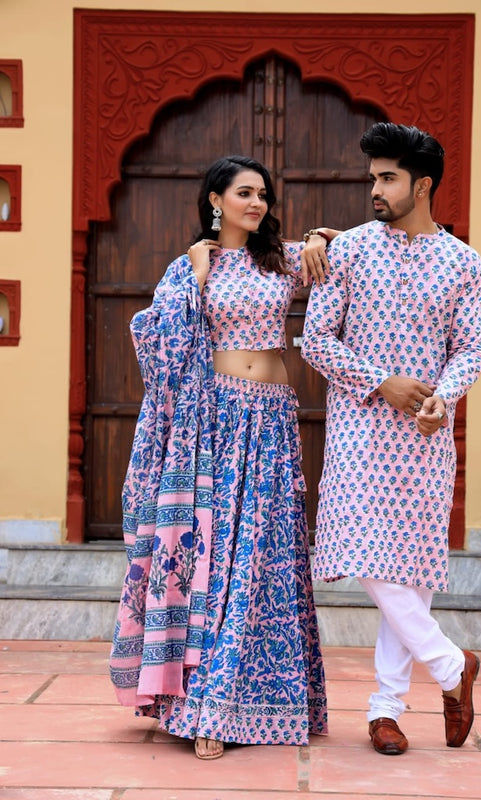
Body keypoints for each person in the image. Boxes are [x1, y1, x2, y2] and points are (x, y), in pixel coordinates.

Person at [109, 155, 333, 760]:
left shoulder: (282, 258)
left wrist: (316, 237)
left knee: (263, 553)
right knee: (214, 555)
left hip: (272, 420)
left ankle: (266, 703)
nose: (256, 203)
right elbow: (155, 346)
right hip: (216, 423)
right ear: (216, 199)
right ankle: (206, 706)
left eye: (262, 194)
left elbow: (347, 259)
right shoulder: (191, 266)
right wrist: (200, 279)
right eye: (244, 193)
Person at [301, 122, 481, 755]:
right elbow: (319, 340)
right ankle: (451, 666)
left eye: (387, 178)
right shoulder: (347, 250)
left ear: (423, 184)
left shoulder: (465, 262)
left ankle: (385, 710)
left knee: (406, 572)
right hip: (360, 427)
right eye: (373, 177)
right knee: (364, 551)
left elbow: (471, 348)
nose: (374, 188)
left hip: (425, 436)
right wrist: (383, 382)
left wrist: (442, 397)